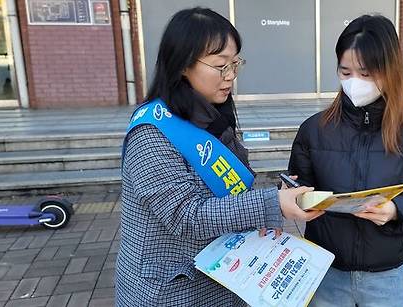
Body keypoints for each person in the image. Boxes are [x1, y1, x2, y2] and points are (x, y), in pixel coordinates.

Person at [115, 7, 322, 306]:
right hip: (171, 290)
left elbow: (229, 187)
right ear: (183, 64)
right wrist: (272, 204)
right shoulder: (152, 133)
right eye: (220, 65)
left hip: (223, 278)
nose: (230, 77)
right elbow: (185, 216)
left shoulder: (212, 115)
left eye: (235, 64)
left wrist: (275, 197)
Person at [288, 14, 403, 307]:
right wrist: (298, 200)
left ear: (389, 71)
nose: (354, 83)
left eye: (366, 74)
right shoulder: (313, 131)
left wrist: (395, 211)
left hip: (388, 276)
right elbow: (297, 189)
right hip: (326, 271)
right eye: (345, 72)